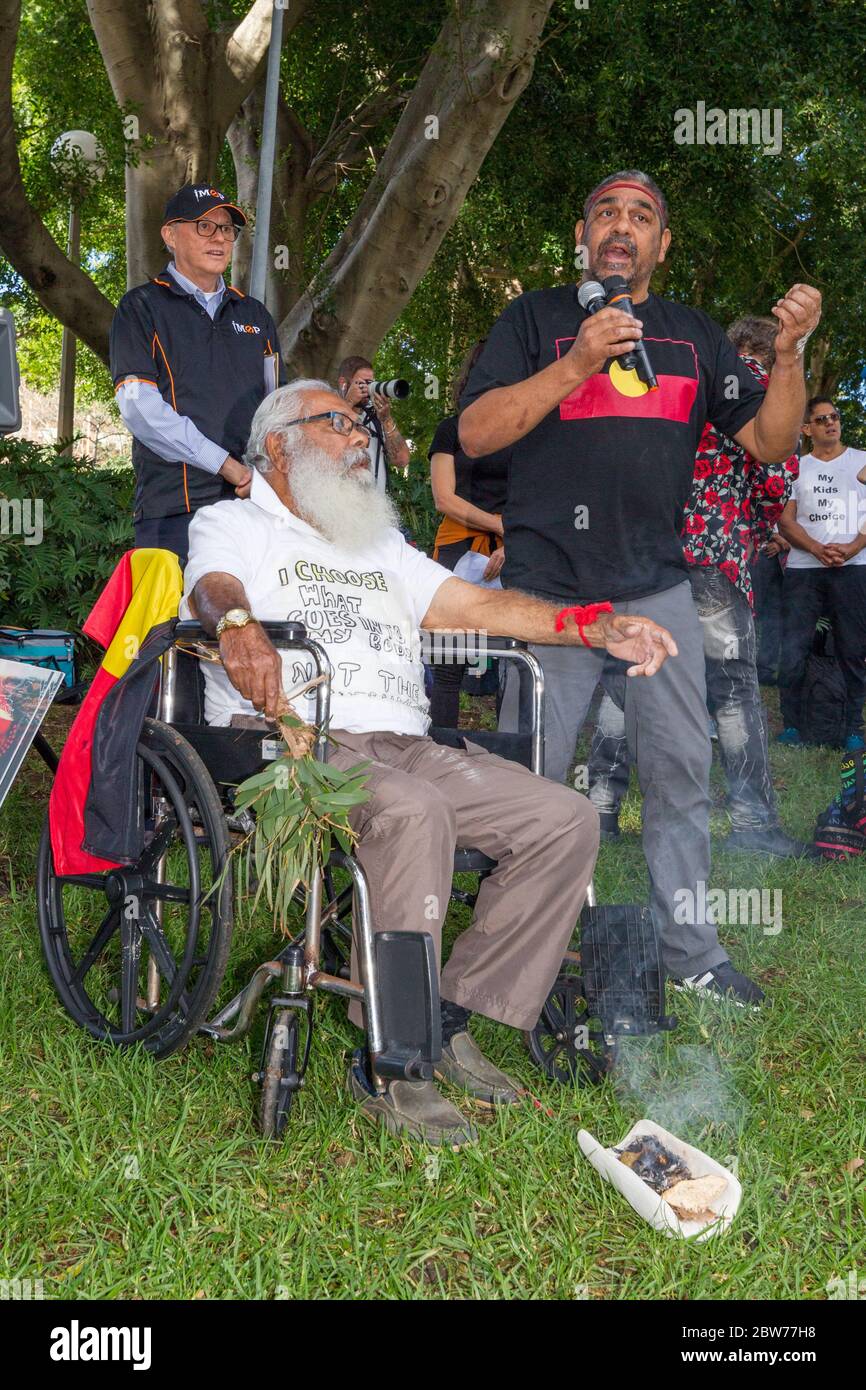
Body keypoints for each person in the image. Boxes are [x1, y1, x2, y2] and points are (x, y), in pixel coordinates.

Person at [180, 378, 676, 1146]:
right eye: (337, 424)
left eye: (359, 428)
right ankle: (396, 1062)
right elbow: (214, 589)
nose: (359, 439)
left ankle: (444, 1017)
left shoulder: (377, 544)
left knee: (562, 818)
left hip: (408, 742)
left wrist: (592, 626)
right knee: (414, 811)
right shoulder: (235, 523)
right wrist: (239, 623)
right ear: (277, 445)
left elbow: (473, 606)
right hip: (293, 738)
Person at [459, 168, 822, 1007]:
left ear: (663, 243)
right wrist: (579, 360)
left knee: (681, 773)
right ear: (582, 236)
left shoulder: (693, 333)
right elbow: (477, 432)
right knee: (533, 781)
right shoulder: (535, 319)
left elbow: (769, 441)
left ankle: (690, 952)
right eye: (606, 213)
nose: (622, 226)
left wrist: (792, 355)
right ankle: (515, 948)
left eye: (642, 216)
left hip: (658, 588)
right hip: (549, 595)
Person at [587, 315, 808, 858]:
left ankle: (600, 811)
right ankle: (754, 826)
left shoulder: (679, 374)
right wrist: (758, 526)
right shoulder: (756, 381)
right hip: (713, 555)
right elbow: (775, 475)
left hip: (647, 552)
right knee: (731, 689)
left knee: (625, 674)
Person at [110, 183, 283, 563]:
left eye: (227, 229)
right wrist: (227, 466)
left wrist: (265, 478)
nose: (220, 237)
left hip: (253, 509)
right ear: (170, 235)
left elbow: (277, 411)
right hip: (174, 510)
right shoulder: (141, 307)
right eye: (205, 226)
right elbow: (141, 411)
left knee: (246, 622)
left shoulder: (255, 315)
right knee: (171, 622)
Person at [428, 340, 509, 727]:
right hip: (457, 553)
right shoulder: (450, 428)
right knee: (447, 665)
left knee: (516, 662)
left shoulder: (525, 432)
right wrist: (497, 526)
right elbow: (444, 498)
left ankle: (518, 763)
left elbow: (540, 496)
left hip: (514, 553)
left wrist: (513, 543)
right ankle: (439, 750)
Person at [777, 397, 866, 751]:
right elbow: (785, 519)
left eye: (834, 417)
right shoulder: (796, 468)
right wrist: (815, 548)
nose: (831, 423)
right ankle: (792, 726)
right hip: (804, 570)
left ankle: (852, 729)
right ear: (807, 429)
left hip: (853, 568)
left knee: (853, 648)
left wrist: (854, 547)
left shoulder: (861, 460)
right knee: (794, 648)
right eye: (821, 419)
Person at [336, 356, 410, 493]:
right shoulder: (328, 412)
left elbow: (402, 460)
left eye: (371, 383)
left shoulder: (374, 418)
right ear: (343, 384)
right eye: (363, 383)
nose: (368, 388)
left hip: (374, 508)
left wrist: (386, 419)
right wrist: (349, 404)